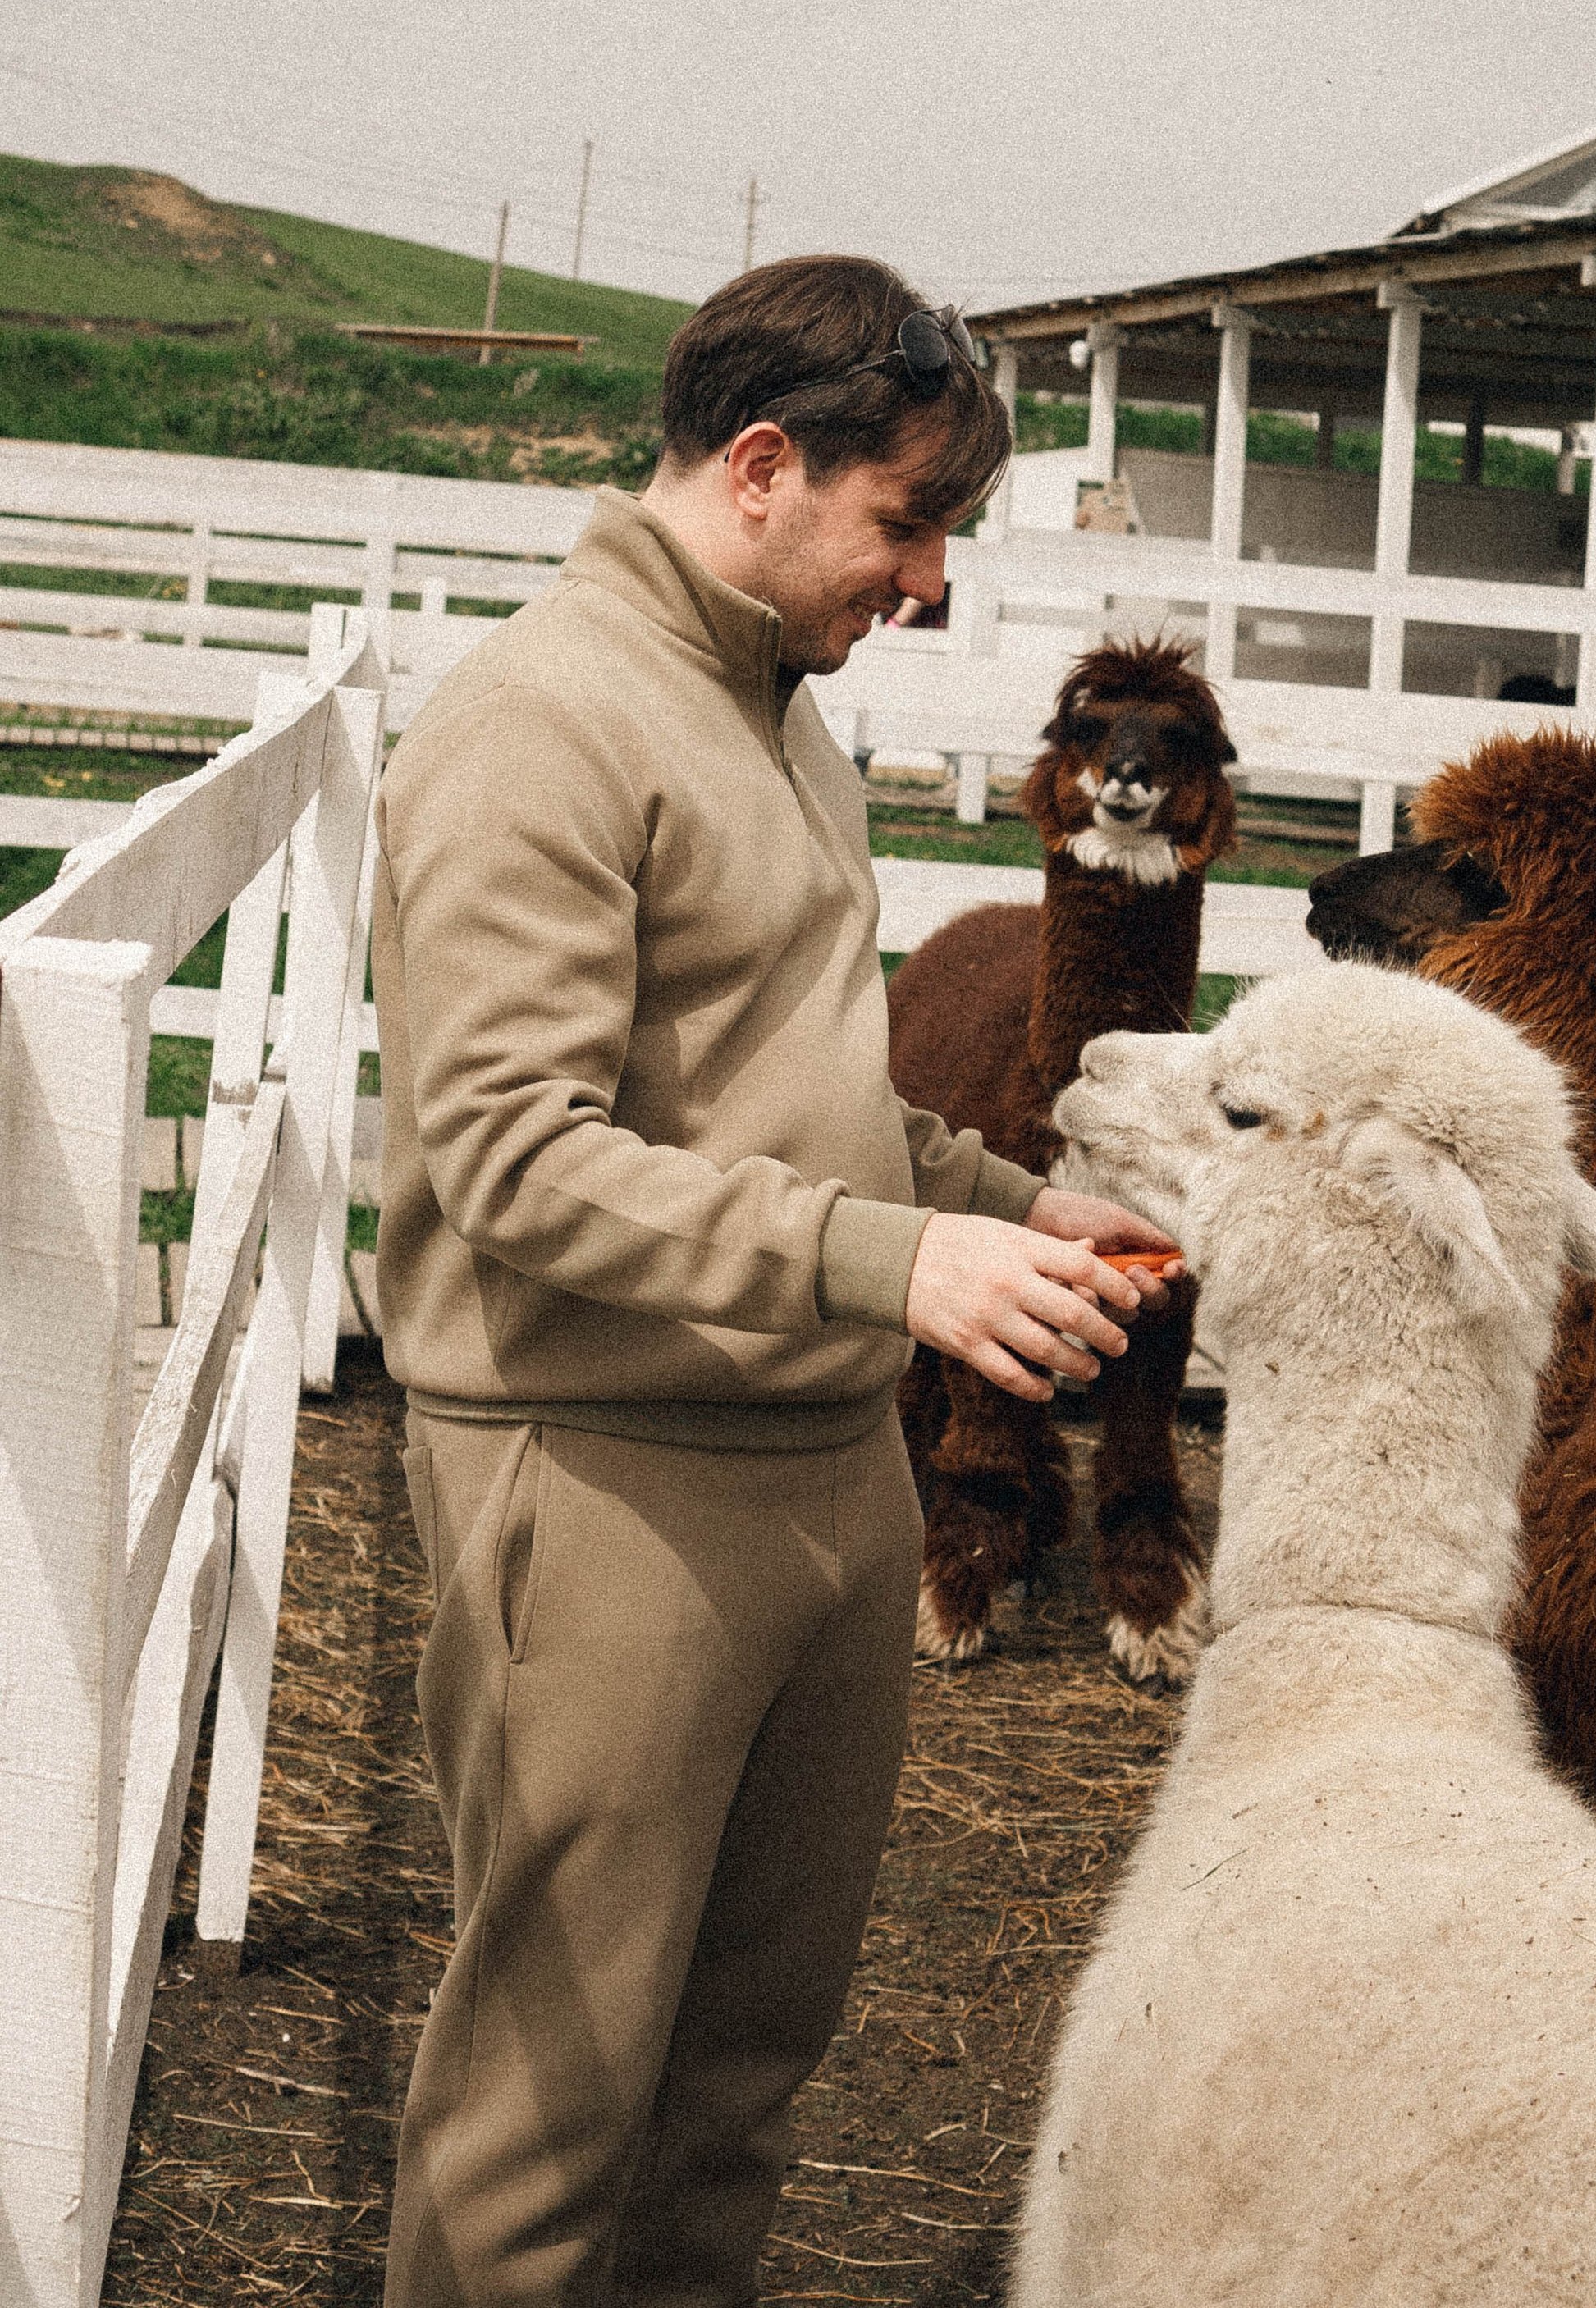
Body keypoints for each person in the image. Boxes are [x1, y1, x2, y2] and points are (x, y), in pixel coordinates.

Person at [373, 254, 1178, 2308]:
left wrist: (1008, 1199)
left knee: (735, 2092)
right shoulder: (537, 724)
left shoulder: (779, 723)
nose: (927, 584)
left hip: (820, 1467)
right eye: (907, 521)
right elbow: (512, 1158)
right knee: (548, 2119)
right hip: (612, 1474)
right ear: (757, 467)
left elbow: (800, 1093)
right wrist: (898, 1262)